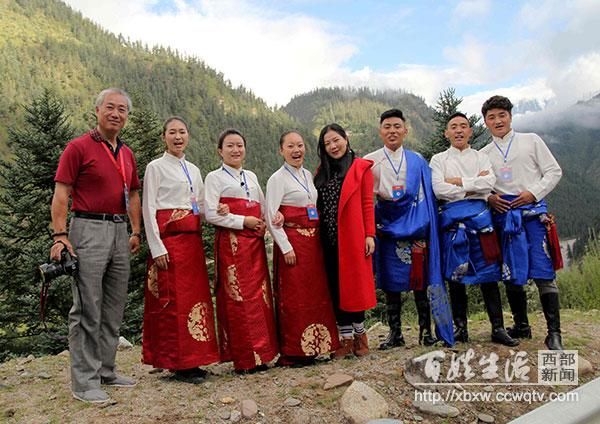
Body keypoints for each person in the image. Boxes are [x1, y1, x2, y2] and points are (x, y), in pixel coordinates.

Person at [50, 88, 141, 403]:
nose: (116, 113)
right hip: (87, 228)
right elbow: (62, 193)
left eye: (122, 110)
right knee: (88, 306)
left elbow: (133, 195)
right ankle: (84, 383)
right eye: (110, 107)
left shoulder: (127, 154)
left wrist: (136, 230)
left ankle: (106, 370)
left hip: (119, 230)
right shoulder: (78, 147)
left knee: (113, 306)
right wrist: (60, 236)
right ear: (98, 110)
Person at [480, 95, 564, 350]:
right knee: (511, 273)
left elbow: (553, 171)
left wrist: (533, 193)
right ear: (485, 122)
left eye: (501, 115)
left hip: (533, 215)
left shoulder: (531, 140)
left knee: (543, 271)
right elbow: (479, 186)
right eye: (491, 117)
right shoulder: (483, 154)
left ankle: (554, 333)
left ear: (510, 116)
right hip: (504, 219)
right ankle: (522, 325)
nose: (497, 121)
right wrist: (490, 197)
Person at [365, 109, 453, 349]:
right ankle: (395, 333)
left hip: (416, 229)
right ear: (380, 130)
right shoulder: (370, 161)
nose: (392, 131)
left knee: (420, 281)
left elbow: (428, 194)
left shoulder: (417, 160)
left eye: (397, 126)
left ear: (405, 130)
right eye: (387, 126)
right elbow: (365, 198)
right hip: (386, 227)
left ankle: (426, 332)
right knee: (391, 282)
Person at [141, 117, 221, 383]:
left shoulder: (194, 169)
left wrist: (219, 210)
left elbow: (200, 203)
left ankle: (195, 358)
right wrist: (156, 246)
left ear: (188, 135)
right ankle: (178, 362)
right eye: (172, 132)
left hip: (192, 244)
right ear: (164, 136)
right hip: (169, 243)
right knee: (172, 302)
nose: (178, 137)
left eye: (182, 132)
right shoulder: (155, 167)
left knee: (194, 300)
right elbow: (149, 208)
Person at [430, 112, 518, 347]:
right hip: (453, 225)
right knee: (456, 277)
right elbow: (439, 190)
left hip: (482, 224)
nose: (458, 130)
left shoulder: (481, 156)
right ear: (446, 133)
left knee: (490, 275)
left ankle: (498, 328)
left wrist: (458, 182)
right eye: (453, 127)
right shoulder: (438, 160)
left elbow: (488, 183)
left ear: (470, 131)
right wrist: (472, 184)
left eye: (463, 126)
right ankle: (461, 329)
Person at [203, 128, 279, 372]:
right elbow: (211, 214)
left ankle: (262, 354)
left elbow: (262, 206)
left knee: (260, 296)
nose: (236, 150)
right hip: (232, 245)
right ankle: (244, 358)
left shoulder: (252, 176)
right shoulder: (214, 178)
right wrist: (241, 220)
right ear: (220, 151)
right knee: (238, 298)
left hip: (254, 244)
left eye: (239, 145)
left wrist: (268, 220)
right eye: (230, 146)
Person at [265, 131, 339, 366]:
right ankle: (295, 350)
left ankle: (317, 345)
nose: (296, 150)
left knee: (315, 294)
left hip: (312, 244)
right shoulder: (277, 179)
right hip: (293, 244)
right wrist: (285, 247)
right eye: (290, 146)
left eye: (299, 145)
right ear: (281, 150)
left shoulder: (308, 174)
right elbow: (270, 215)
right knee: (295, 297)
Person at [314, 123, 377, 359]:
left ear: (345, 139)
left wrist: (369, 234)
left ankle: (360, 336)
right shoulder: (322, 170)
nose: (333, 146)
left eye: (336, 140)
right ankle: (346, 339)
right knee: (336, 287)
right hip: (327, 239)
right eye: (327, 143)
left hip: (353, 236)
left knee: (355, 286)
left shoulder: (361, 168)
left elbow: (367, 204)